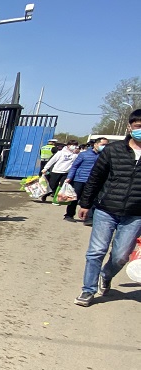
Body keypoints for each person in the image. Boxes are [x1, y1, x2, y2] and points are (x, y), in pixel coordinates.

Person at [74, 110, 141, 306]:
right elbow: (95, 178)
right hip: (106, 209)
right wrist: (85, 203)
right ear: (130, 127)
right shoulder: (113, 150)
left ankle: (106, 274)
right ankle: (88, 290)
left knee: (121, 256)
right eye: (138, 126)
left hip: (135, 214)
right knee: (96, 251)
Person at [63, 137, 108, 222]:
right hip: (80, 179)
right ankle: (69, 215)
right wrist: (69, 177)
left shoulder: (105, 156)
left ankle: (89, 218)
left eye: (106, 145)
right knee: (75, 198)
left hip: (95, 181)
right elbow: (74, 166)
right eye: (103, 144)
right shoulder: (83, 154)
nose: (104, 147)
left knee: (92, 199)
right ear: (96, 144)